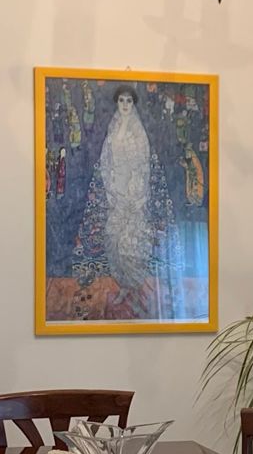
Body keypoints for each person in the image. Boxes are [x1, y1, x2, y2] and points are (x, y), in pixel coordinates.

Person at [72, 87, 183, 318]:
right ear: (117, 103)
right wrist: (111, 188)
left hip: (133, 195)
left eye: (128, 101)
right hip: (115, 192)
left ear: (133, 104)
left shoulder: (138, 132)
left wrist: (134, 194)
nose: (124, 105)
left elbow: (142, 166)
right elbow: (106, 160)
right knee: (113, 239)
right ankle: (123, 286)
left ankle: (136, 289)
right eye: (121, 100)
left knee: (132, 243)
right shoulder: (113, 129)